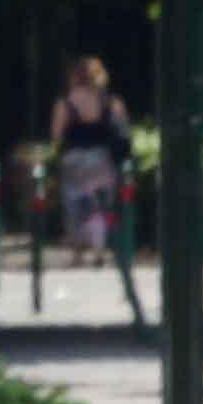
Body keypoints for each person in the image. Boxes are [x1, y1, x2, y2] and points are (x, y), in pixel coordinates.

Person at [46, 54, 141, 319]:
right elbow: (124, 131)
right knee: (102, 204)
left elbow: (56, 135)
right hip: (103, 160)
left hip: (75, 160)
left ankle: (80, 247)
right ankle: (100, 247)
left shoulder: (66, 102)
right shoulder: (111, 101)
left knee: (77, 203)